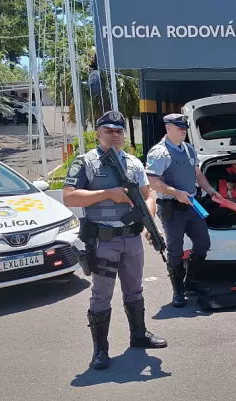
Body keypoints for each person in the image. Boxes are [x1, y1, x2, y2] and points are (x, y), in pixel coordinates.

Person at [63, 111, 167, 370]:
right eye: (109, 130)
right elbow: (70, 197)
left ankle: (139, 335)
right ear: (98, 133)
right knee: (101, 295)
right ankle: (100, 350)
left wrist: (149, 223)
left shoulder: (133, 163)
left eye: (119, 131)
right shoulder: (85, 162)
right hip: (104, 240)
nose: (115, 134)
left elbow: (148, 195)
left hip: (131, 239)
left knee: (135, 289)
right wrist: (107, 193)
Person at [145, 113, 224, 308]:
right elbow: (153, 182)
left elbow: (198, 174)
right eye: (179, 126)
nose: (183, 130)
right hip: (172, 208)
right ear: (168, 127)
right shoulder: (159, 153)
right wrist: (175, 192)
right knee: (174, 251)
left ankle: (191, 282)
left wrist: (211, 191)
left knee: (203, 243)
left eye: (185, 127)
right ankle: (178, 290)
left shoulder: (189, 149)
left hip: (192, 205)